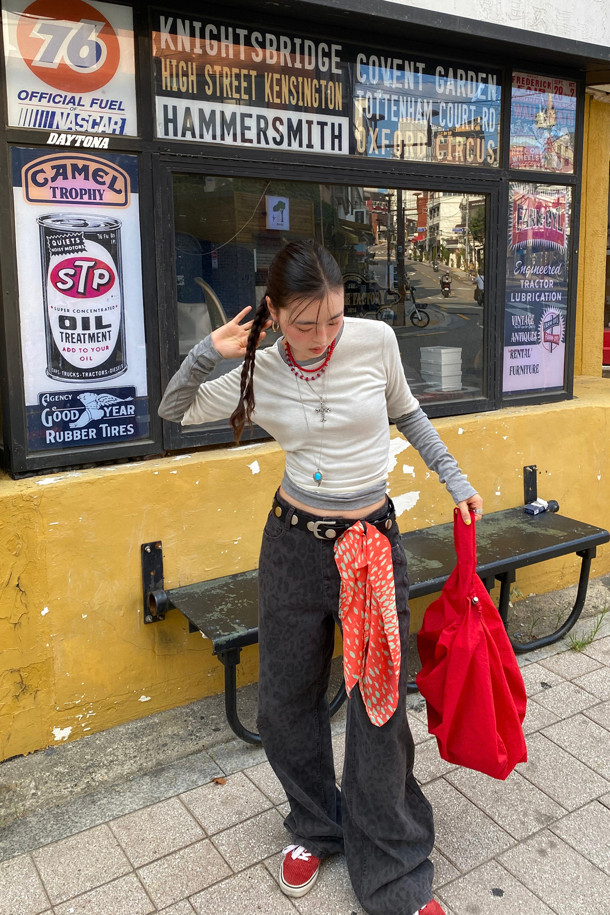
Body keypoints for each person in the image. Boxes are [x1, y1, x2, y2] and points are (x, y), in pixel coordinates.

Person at [159, 240, 483, 915]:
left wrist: (454, 478)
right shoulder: (259, 369)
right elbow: (174, 410)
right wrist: (207, 352)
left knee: (379, 704)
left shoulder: (375, 341)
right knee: (284, 701)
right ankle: (316, 823)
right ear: (273, 314)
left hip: (369, 545)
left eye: (332, 319)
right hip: (294, 548)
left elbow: (408, 412)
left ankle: (392, 865)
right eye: (305, 324)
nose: (322, 337)